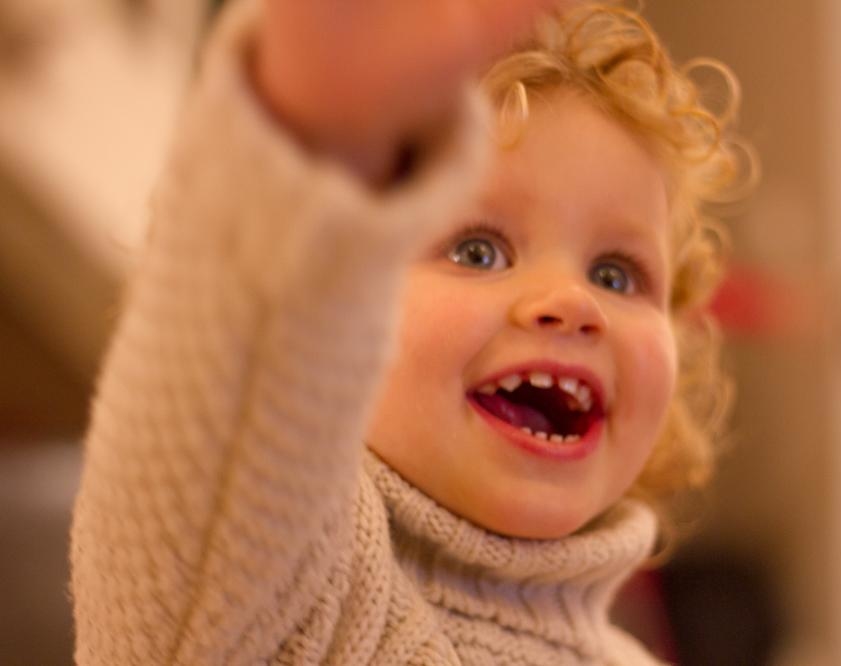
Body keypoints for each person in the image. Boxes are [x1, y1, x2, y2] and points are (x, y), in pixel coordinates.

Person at [69, 0, 742, 663]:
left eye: (616, 274)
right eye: (478, 251)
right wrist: (303, 131)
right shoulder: (286, 597)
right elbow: (220, 434)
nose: (574, 302)